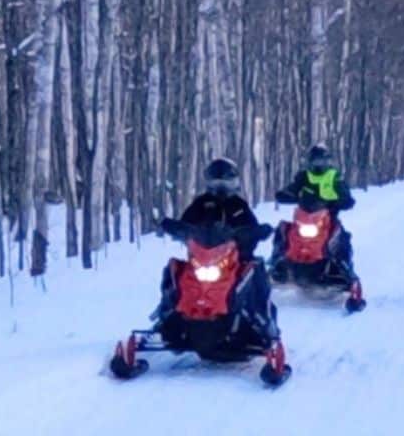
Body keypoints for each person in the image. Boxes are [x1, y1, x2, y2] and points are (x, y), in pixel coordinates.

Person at [153, 158, 277, 343]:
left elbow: (252, 226)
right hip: (203, 258)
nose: (221, 188)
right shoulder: (201, 204)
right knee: (175, 269)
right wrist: (173, 227)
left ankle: (263, 320)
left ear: (234, 183)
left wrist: (256, 233)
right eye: (216, 183)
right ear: (209, 183)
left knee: (255, 269)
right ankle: (166, 311)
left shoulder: (239, 206)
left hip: (235, 260)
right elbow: (186, 223)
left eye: (226, 183)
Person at [270, 145, 358, 285]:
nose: (319, 165)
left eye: (322, 162)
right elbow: (292, 188)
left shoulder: (334, 177)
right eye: (316, 162)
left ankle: (347, 271)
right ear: (310, 162)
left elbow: (344, 193)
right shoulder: (303, 176)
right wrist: (285, 195)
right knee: (283, 230)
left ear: (328, 162)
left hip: (327, 219)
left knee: (342, 237)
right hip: (304, 217)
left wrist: (344, 200)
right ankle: (275, 263)